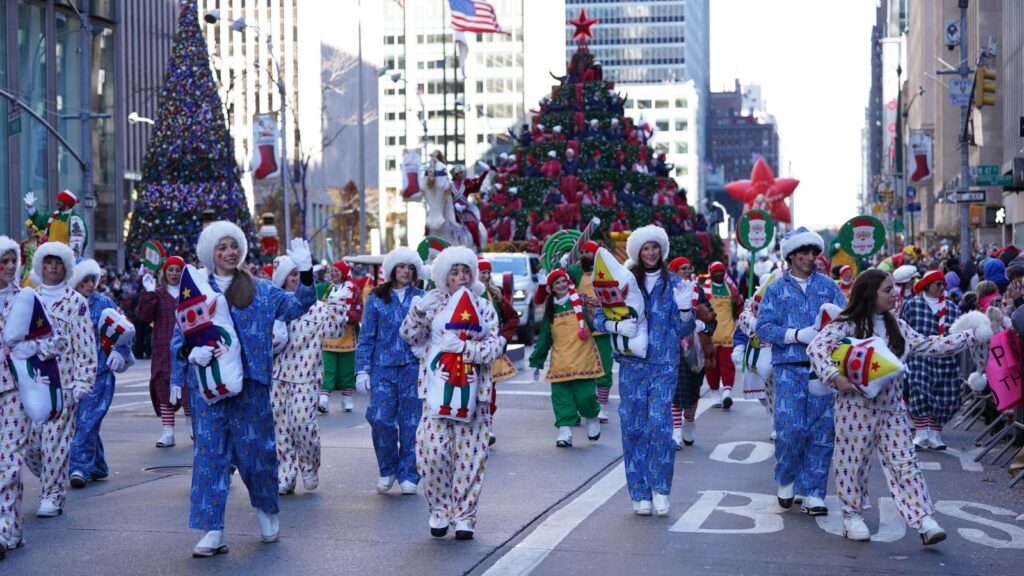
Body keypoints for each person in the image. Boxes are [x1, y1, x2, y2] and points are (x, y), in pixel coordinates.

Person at [171, 221, 316, 557]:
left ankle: (267, 511)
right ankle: (213, 530)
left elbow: (299, 305)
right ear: (210, 253)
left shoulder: (261, 290)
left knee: (256, 454)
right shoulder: (194, 290)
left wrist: (306, 272)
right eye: (221, 248)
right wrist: (190, 354)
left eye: (233, 246)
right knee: (210, 457)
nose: (228, 252)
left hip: (251, 386)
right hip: (208, 388)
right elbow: (178, 339)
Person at [808, 269, 976, 545]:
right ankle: (852, 516)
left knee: (906, 462)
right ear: (870, 293)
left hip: (893, 409)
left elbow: (932, 344)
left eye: (893, 288)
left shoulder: (897, 325)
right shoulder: (847, 324)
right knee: (852, 464)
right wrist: (835, 377)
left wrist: (972, 333)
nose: (895, 293)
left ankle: (923, 519)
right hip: (855, 409)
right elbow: (816, 348)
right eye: (887, 289)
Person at [400, 246, 502, 540]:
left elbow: (495, 346)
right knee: (432, 454)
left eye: (465, 271)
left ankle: (465, 516)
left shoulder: (483, 306)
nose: (460, 277)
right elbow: (409, 336)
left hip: (475, 396)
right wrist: (418, 311)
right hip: (435, 392)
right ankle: (439, 509)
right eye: (454, 272)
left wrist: (468, 349)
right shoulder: (431, 304)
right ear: (445, 276)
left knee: (470, 459)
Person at [593, 226, 696, 517]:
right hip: (631, 366)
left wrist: (686, 311)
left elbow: (684, 330)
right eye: (645, 248)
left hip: (664, 365)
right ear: (637, 252)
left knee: (660, 426)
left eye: (655, 247)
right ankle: (639, 492)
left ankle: (661, 489)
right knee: (634, 427)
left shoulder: (676, 284)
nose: (650, 253)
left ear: (662, 251)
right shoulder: (623, 281)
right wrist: (615, 326)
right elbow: (600, 317)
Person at [756, 227, 846, 516]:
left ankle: (814, 492)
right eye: (804, 253)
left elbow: (845, 322)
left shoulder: (829, 287)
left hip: (822, 370)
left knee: (822, 431)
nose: (810, 258)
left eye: (813, 253)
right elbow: (763, 327)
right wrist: (796, 334)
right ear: (791, 256)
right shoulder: (775, 288)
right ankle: (786, 478)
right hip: (788, 369)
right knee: (790, 429)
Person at [355, 247, 425, 495]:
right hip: (382, 369)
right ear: (393, 269)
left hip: (413, 369)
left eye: (410, 267)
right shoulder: (376, 298)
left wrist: (425, 350)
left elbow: (432, 332)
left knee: (412, 424)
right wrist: (361, 370)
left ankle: (409, 473)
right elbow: (366, 337)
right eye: (401, 266)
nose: (406, 271)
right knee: (380, 419)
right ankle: (387, 468)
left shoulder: (423, 296)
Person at [271, 256, 344, 495]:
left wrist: (337, 308)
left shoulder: (317, 307)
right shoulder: (273, 305)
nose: (295, 279)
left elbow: (334, 332)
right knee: (280, 428)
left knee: (302, 424)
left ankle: (309, 466)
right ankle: (286, 474)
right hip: (277, 376)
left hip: (306, 375)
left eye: (298, 274)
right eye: (290, 275)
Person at [68, 259, 133, 489]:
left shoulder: (104, 302)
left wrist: (122, 351)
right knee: (79, 422)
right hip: (73, 373)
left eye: (92, 279)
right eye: (85, 280)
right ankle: (97, 466)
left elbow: (125, 329)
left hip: (101, 372)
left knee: (87, 421)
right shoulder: (67, 303)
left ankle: (77, 468)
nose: (90, 284)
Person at [529, 269, 604, 447]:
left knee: (585, 397)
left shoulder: (580, 301)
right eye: (557, 283)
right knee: (561, 398)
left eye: (564, 281)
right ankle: (565, 430)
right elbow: (544, 338)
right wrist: (537, 361)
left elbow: (596, 322)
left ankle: (592, 418)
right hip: (561, 361)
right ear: (552, 288)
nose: (561, 285)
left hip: (583, 358)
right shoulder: (551, 309)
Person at [900, 270, 962, 450]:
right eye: (938, 284)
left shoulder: (951, 308)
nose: (942, 288)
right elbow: (903, 331)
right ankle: (921, 433)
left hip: (945, 359)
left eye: (943, 284)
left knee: (947, 395)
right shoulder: (912, 305)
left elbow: (956, 335)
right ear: (927, 285)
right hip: (921, 356)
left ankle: (935, 434)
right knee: (919, 390)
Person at [137, 256, 190, 447]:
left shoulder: (189, 293)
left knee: (188, 388)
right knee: (162, 386)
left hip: (186, 348)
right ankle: (168, 431)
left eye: (178, 270)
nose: (174, 273)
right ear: (165, 272)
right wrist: (148, 294)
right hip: (162, 348)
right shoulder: (158, 294)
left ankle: (192, 426)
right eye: (171, 270)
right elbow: (143, 316)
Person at [668, 257, 716, 448]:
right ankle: (676, 432)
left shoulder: (699, 292)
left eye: (689, 267)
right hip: (674, 348)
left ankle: (689, 420)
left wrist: (703, 324)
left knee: (694, 391)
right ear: (674, 272)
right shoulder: (666, 292)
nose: (688, 271)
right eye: (683, 268)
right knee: (676, 391)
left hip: (696, 350)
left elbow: (712, 319)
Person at [568, 242, 615, 422]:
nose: (586, 254)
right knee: (581, 369)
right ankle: (581, 405)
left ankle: (602, 406)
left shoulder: (607, 270)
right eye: (583, 252)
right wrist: (562, 265)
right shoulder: (575, 271)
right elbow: (560, 283)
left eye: (589, 252)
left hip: (603, 329)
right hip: (581, 330)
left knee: (605, 370)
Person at [478, 258, 519, 446]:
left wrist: (503, 337)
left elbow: (512, 318)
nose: (485, 276)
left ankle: (488, 427)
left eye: (488, 272)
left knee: (489, 392)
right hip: (469, 354)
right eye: (482, 272)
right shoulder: (465, 294)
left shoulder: (495, 296)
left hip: (491, 354)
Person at [318, 261, 363, 414]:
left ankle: (347, 399)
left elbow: (358, 310)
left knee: (346, 370)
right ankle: (323, 399)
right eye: (332, 271)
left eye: (337, 271)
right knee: (327, 369)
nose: (333, 274)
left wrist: (346, 317)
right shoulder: (325, 289)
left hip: (347, 337)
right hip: (327, 338)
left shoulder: (354, 290)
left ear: (344, 273)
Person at [703, 261, 744, 409]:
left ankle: (727, 392)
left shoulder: (731, 289)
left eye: (721, 271)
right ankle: (715, 394)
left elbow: (739, 304)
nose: (719, 274)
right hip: (710, 337)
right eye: (716, 271)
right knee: (711, 367)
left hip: (728, 334)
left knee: (727, 365)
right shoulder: (705, 289)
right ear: (711, 274)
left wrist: (741, 322)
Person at [23, 190, 88, 257]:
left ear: (67, 203)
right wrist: (31, 208)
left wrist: (72, 258)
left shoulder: (75, 220)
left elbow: (79, 243)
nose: (56, 202)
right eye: (57, 200)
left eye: (60, 201)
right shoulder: (52, 215)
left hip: (64, 259)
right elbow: (39, 223)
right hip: (50, 256)